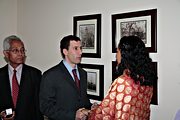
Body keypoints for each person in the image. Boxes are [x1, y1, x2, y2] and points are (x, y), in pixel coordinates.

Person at [88, 36, 157, 120]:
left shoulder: (123, 82)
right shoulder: (145, 80)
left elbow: (114, 116)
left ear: (124, 55)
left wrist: (91, 113)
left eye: (117, 51)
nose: (116, 55)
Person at [39, 35, 92, 120]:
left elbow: (82, 100)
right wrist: (73, 115)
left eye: (81, 48)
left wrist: (91, 108)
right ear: (65, 51)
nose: (80, 52)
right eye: (76, 48)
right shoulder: (50, 76)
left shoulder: (83, 73)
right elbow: (45, 107)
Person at [0, 35, 44, 120]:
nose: (20, 54)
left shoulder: (35, 74)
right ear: (6, 53)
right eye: (15, 50)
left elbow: (39, 106)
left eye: (22, 50)